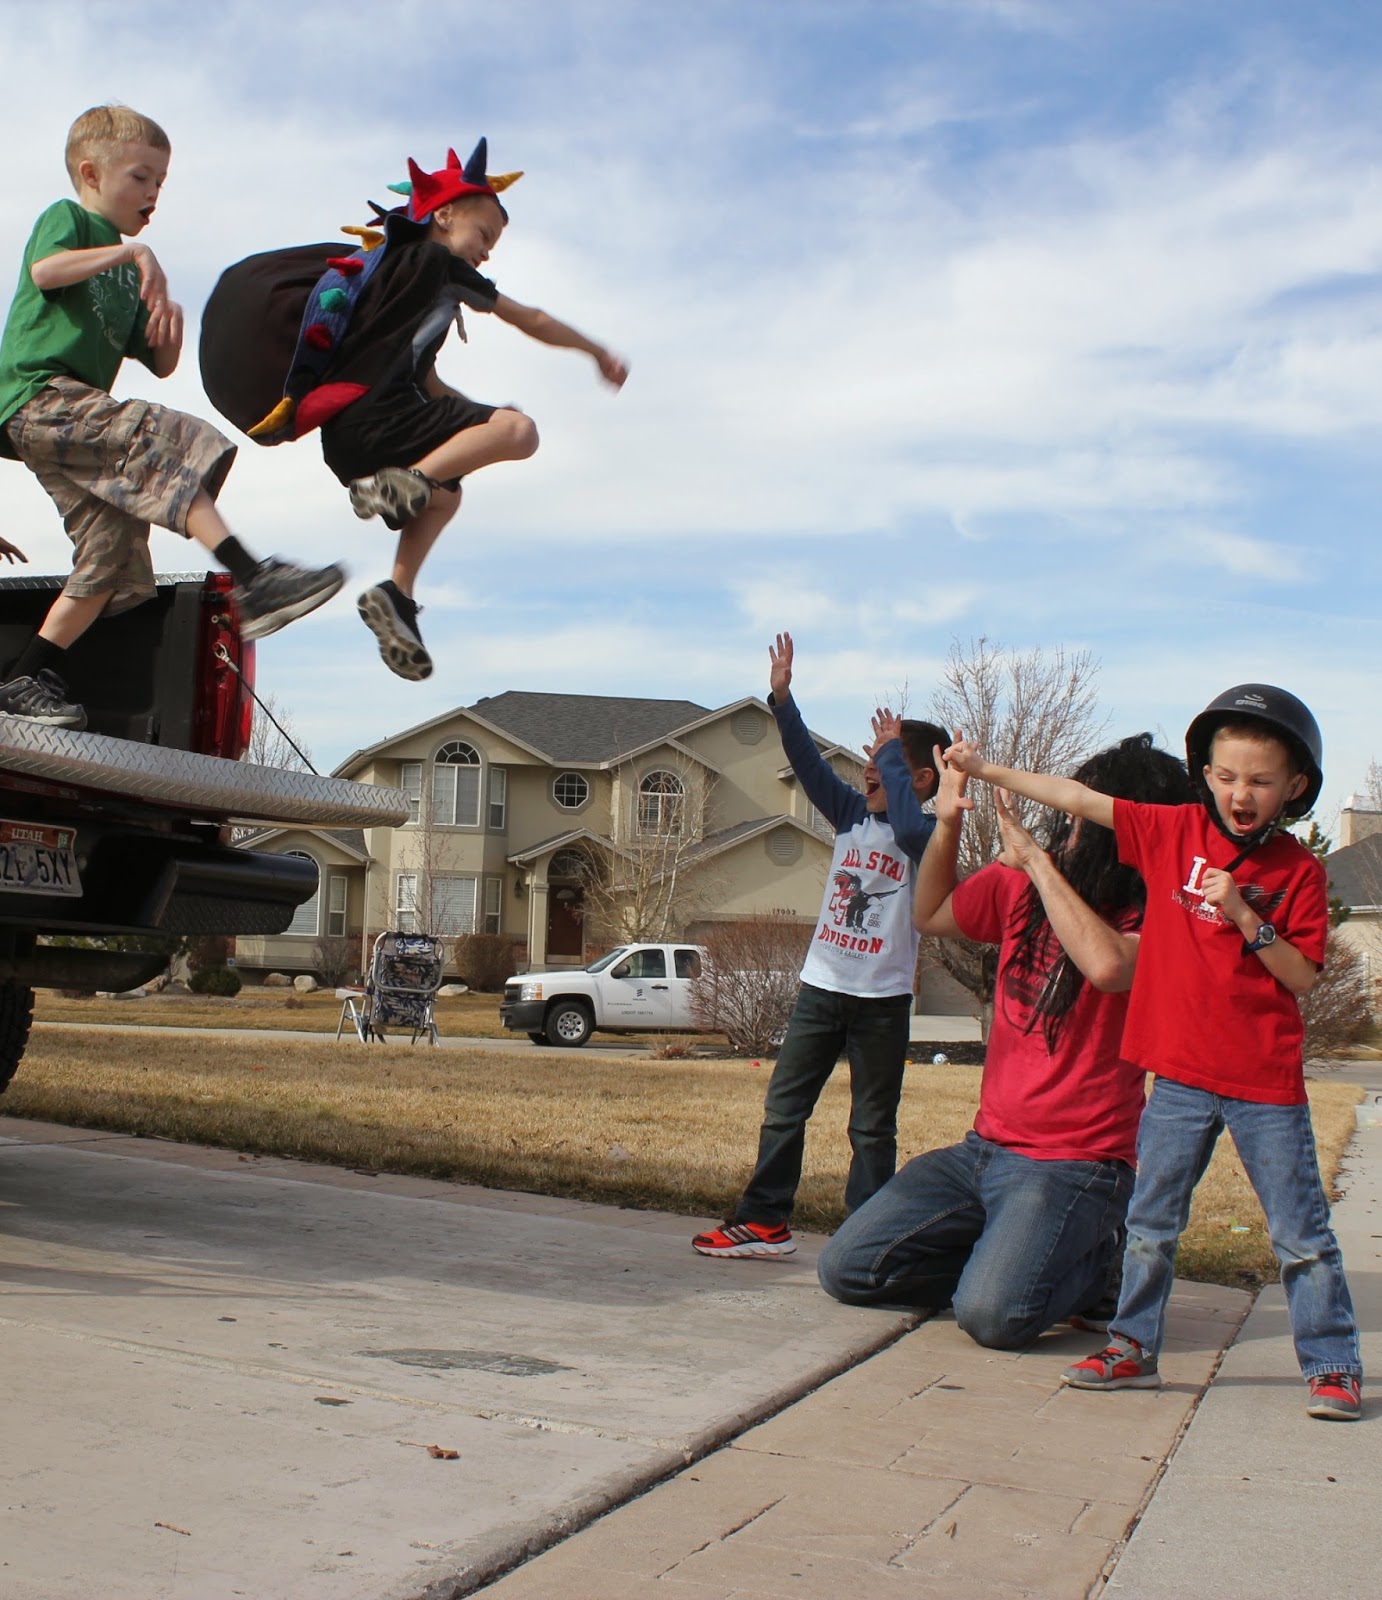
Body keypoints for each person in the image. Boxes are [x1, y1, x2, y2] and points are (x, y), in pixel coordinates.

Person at [944, 685, 1363, 1421]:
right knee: (1151, 1226)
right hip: (1177, 1080)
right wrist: (985, 770)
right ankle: (1132, 1348)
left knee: (1300, 1235)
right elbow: (1077, 796)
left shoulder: (1300, 871)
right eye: (1226, 776)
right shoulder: (1174, 832)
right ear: (1205, 774)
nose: (1241, 794)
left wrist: (1243, 913)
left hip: (1263, 1085)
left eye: (1261, 781)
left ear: (1295, 788)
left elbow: (1300, 976)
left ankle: (1331, 1365)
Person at [200, 139, 628, 684]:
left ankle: (397, 595)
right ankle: (407, 483)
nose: (487, 254)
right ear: (443, 216)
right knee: (521, 433)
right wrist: (595, 352)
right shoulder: (436, 263)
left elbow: (427, 384)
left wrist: (482, 418)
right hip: (380, 425)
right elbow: (532, 318)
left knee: (447, 495)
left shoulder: (391, 282)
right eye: (484, 236)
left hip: (349, 441)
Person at [817, 733, 1194, 1349]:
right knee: (848, 1269)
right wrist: (947, 825)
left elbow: (1107, 967)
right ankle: (1008, 1259)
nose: (1069, 823)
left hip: (1077, 1164)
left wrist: (1039, 864)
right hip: (983, 1149)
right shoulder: (1021, 880)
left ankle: (1101, 1259)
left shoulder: (1165, 914)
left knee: (994, 1318)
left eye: (1085, 812)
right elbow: (930, 914)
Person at [0, 105, 344, 730]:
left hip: (62, 426)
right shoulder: (70, 220)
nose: (153, 192)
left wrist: (169, 330)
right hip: (40, 396)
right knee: (165, 440)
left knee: (111, 555)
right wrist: (136, 253)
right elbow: (44, 272)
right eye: (140, 177)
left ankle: (23, 677)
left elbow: (159, 365)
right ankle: (254, 578)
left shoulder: (125, 273)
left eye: (160, 181)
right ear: (91, 173)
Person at [692, 632, 949, 1258]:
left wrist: (893, 760)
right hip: (822, 989)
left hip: (883, 1002)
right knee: (785, 1108)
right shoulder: (851, 813)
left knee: (871, 1127)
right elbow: (807, 762)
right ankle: (765, 1220)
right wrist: (783, 700)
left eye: (884, 765)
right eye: (870, 760)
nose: (869, 770)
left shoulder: (928, 835)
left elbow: (909, 823)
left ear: (920, 778)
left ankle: (864, 1240)